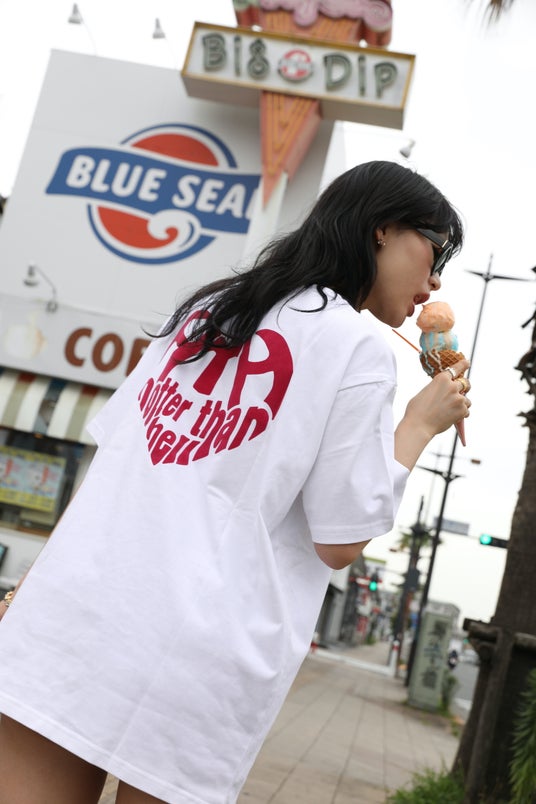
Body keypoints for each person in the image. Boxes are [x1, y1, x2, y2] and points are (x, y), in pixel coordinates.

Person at [0, 160, 471, 804]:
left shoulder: (209, 309)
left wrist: (30, 589)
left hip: (76, 613)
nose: (435, 280)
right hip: (195, 651)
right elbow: (340, 540)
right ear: (382, 229)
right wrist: (418, 425)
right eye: (436, 250)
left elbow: (113, 465)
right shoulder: (357, 348)